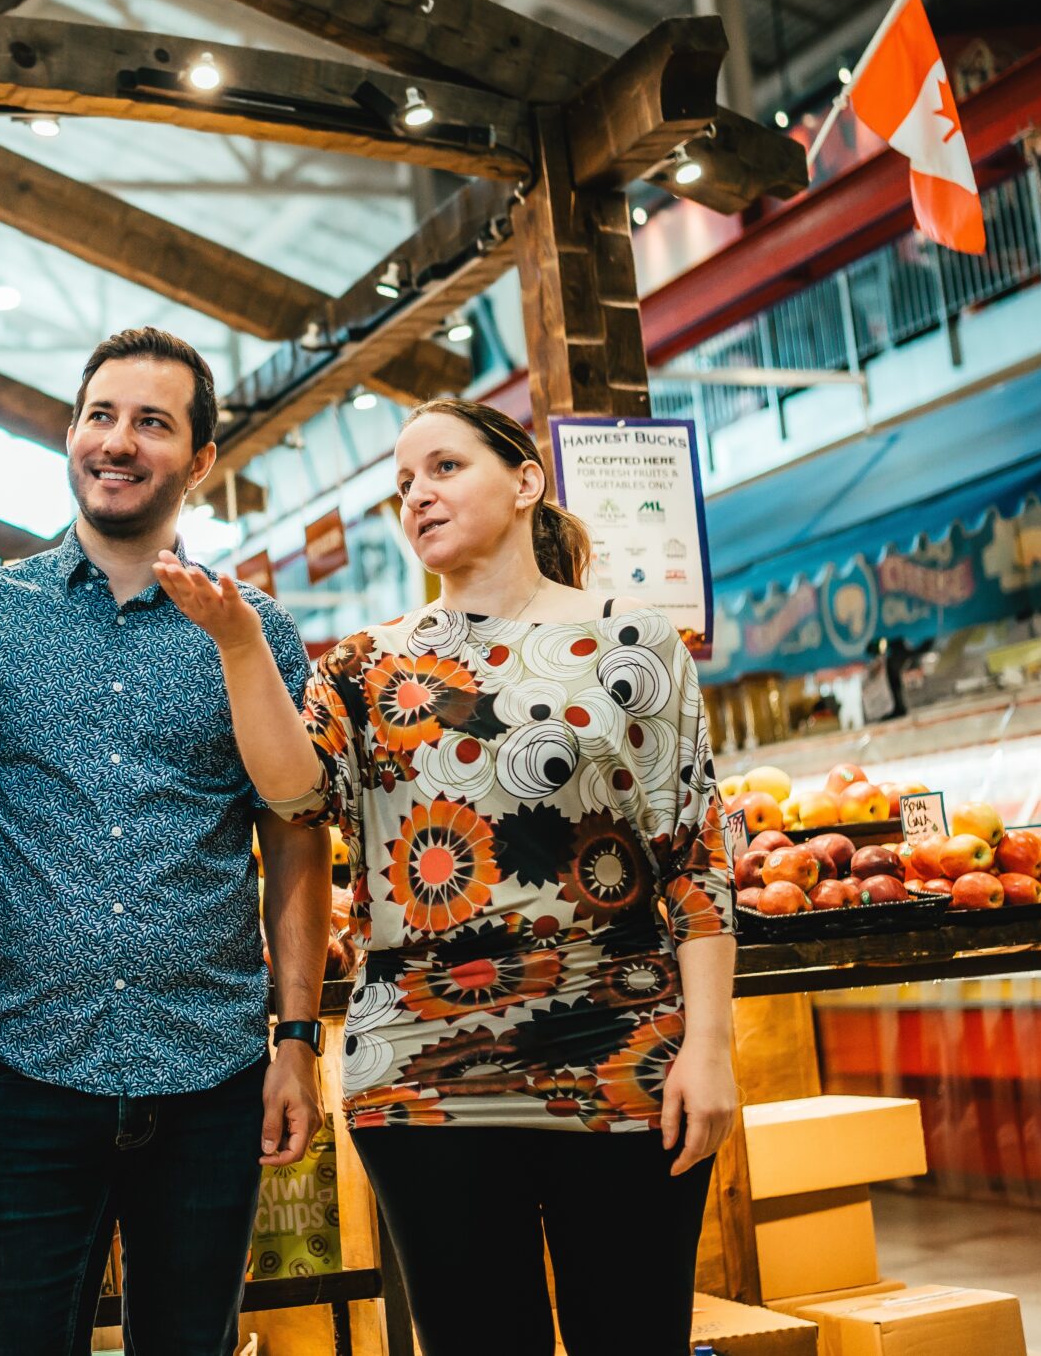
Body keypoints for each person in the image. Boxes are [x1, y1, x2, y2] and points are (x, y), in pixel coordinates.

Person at [154, 396, 737, 1356]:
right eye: (401, 486)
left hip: (624, 1056)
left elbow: (695, 857)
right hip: (426, 1079)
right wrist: (240, 645)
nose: (416, 494)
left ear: (524, 481)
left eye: (443, 468)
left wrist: (709, 1047)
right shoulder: (368, 665)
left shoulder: (635, 643)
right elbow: (294, 794)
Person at [0, 327, 332, 1356]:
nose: (118, 441)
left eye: (152, 422)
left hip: (213, 1079)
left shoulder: (255, 631)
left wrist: (295, 1040)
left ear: (198, 462)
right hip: (24, 1076)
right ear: (69, 434)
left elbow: (294, 835)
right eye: (100, 415)